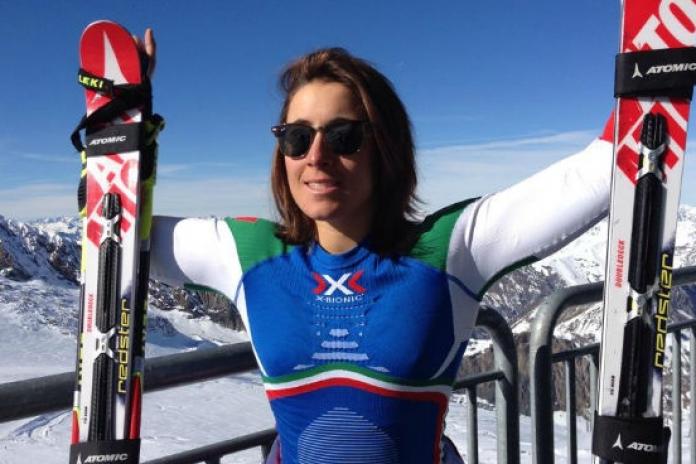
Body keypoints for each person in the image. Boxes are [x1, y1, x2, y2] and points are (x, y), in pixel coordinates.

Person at [143, 31, 613, 464]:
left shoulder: (447, 251)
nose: (316, 156)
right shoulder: (251, 255)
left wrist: (646, 68)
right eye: (297, 138)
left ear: (385, 147)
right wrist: (126, 127)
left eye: (344, 136)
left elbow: (599, 173)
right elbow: (122, 231)